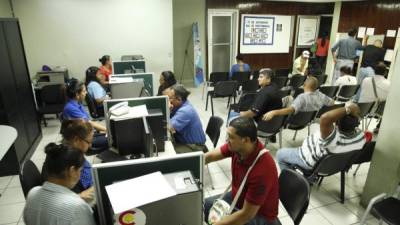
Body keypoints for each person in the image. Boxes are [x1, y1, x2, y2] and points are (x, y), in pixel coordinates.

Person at [204, 117, 279, 225]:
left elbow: (246, 215)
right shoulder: (237, 147)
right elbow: (210, 156)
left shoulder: (263, 170)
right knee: (204, 205)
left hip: (259, 215)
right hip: (239, 197)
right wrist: (186, 163)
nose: (226, 140)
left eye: (231, 137)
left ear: (246, 140)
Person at [276, 103, 366, 171]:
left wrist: (349, 109)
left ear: (337, 124)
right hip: (334, 166)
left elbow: (325, 118)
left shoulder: (333, 138)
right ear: (356, 124)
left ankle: (290, 180)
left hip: (310, 161)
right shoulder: (361, 137)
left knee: (280, 154)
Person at [23, 143, 96, 225]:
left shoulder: (32, 193)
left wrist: (77, 197)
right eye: (80, 170)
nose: (80, 175)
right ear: (72, 171)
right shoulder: (77, 207)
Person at [63, 78, 108, 150]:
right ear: (77, 94)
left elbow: (88, 121)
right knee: (112, 140)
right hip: (83, 140)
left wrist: (105, 129)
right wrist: (107, 129)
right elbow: (89, 123)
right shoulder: (70, 108)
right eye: (84, 91)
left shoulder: (77, 103)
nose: (86, 93)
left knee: (110, 135)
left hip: (86, 134)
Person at [263, 76, 334, 121]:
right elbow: (332, 102)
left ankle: (269, 111)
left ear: (304, 85)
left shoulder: (302, 97)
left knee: (288, 98)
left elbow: (290, 110)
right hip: (307, 120)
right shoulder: (320, 95)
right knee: (290, 98)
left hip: (294, 120)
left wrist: (274, 112)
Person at [60, 120, 95, 201]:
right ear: (76, 140)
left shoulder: (71, 150)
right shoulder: (70, 161)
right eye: (88, 142)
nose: (90, 145)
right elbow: (86, 191)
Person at [166, 84, 206, 153]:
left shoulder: (185, 111)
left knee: (169, 153)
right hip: (187, 142)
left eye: (170, 98)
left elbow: (169, 127)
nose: (168, 101)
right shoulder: (181, 105)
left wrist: (167, 110)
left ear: (179, 99)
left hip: (195, 147)